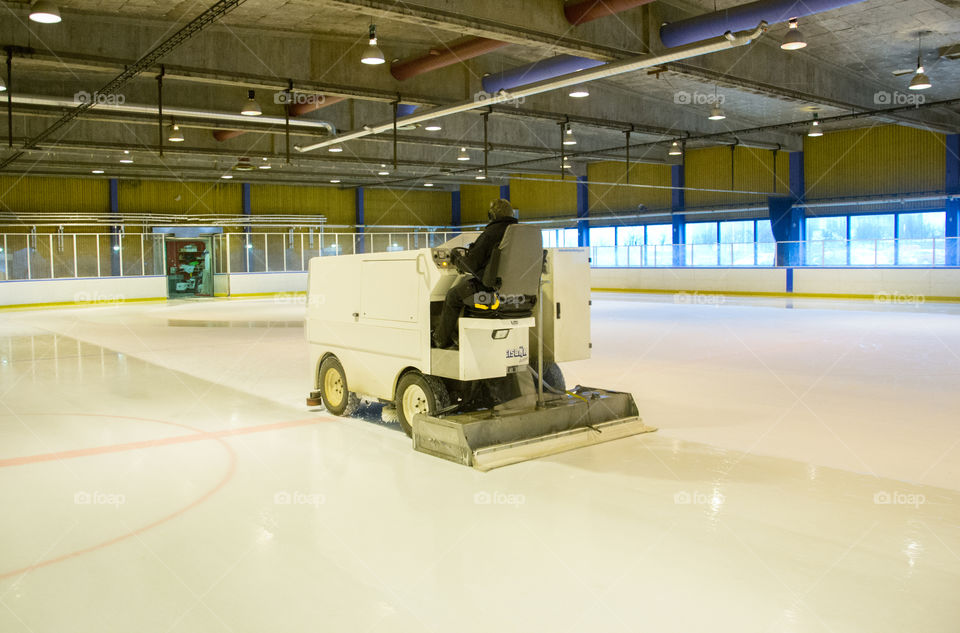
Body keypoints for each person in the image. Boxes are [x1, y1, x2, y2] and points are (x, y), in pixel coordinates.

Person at [433, 198, 518, 349]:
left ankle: (441, 339)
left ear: (491, 216)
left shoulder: (490, 233)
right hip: (516, 295)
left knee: (453, 296)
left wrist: (457, 258)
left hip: (490, 292)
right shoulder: (518, 233)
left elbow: (471, 265)